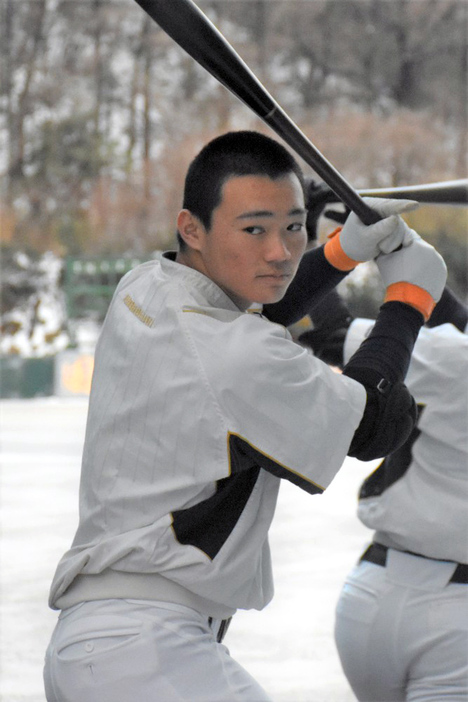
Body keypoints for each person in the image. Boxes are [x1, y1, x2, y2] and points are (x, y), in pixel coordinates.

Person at [43, 130, 447, 702]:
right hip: (143, 652)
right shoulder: (233, 354)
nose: (279, 251)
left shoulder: (146, 286)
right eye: (253, 229)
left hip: (106, 646)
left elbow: (257, 302)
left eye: (292, 227)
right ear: (191, 228)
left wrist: (341, 251)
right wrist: (409, 300)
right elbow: (373, 422)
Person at [302, 282, 468, 702]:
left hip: (372, 592)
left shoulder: (452, 355)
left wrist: (331, 250)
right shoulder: (455, 353)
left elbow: (329, 334)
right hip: (455, 620)